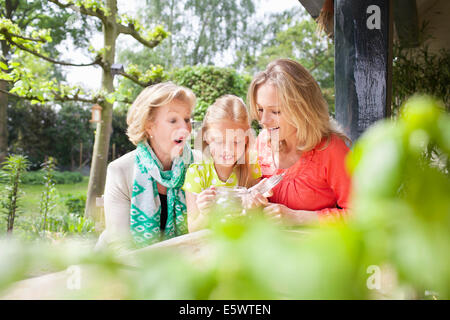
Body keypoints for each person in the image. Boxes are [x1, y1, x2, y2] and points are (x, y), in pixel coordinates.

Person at [247, 58, 352, 225]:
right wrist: (251, 200)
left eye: (275, 111)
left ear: (303, 109)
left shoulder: (331, 149)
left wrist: (298, 217)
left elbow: (363, 216)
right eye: (260, 110)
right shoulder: (262, 142)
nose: (263, 121)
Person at [96, 82, 196, 249]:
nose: (185, 128)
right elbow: (120, 247)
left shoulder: (198, 164)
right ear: (149, 126)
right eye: (173, 120)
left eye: (186, 119)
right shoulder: (120, 171)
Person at [182, 95, 262, 232]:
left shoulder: (251, 169)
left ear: (247, 140)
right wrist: (204, 213)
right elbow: (193, 230)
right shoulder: (197, 174)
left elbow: (259, 224)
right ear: (207, 137)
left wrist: (254, 208)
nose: (228, 150)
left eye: (236, 142)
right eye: (219, 141)